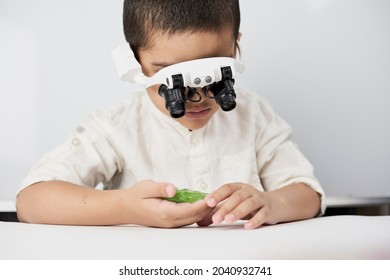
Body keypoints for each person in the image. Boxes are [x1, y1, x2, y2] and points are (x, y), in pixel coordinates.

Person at [16, 0, 325, 229]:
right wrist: (126, 208)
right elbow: (32, 201)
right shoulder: (116, 127)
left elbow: (308, 194)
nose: (196, 97)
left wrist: (271, 203)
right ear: (133, 62)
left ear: (235, 49)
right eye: (170, 76)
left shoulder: (253, 115)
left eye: (214, 72)